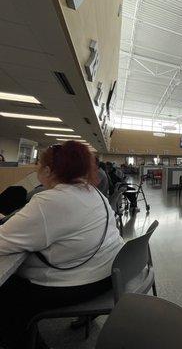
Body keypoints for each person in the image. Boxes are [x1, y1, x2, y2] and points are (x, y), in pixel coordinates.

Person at [0, 141, 123, 349]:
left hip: (79, 284)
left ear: (48, 170)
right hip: (108, 275)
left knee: (8, 295)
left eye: (39, 166)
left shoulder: (49, 201)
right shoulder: (96, 194)